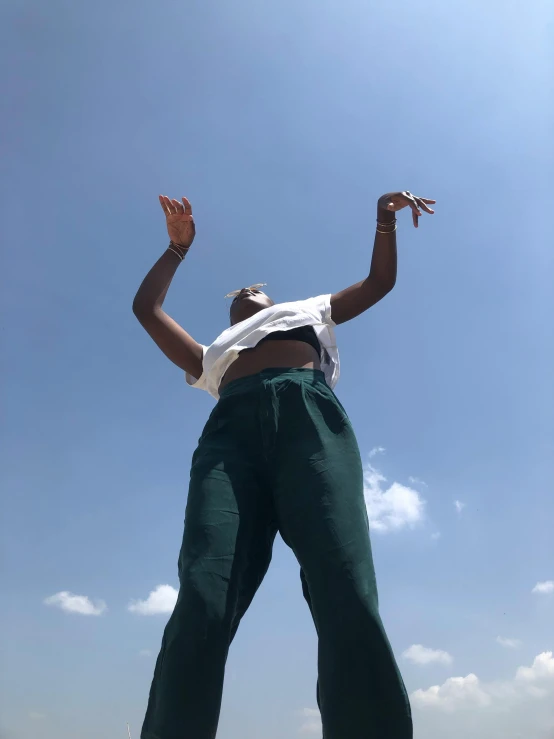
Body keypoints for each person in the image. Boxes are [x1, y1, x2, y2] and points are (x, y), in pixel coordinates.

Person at [133, 190, 435, 739]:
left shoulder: (308, 310)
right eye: (240, 292)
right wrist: (176, 250)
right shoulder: (211, 354)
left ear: (273, 303)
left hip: (309, 422)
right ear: (229, 313)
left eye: (257, 289)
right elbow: (145, 310)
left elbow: (378, 284)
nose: (248, 291)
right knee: (203, 594)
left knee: (344, 586)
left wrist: (383, 218)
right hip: (229, 442)